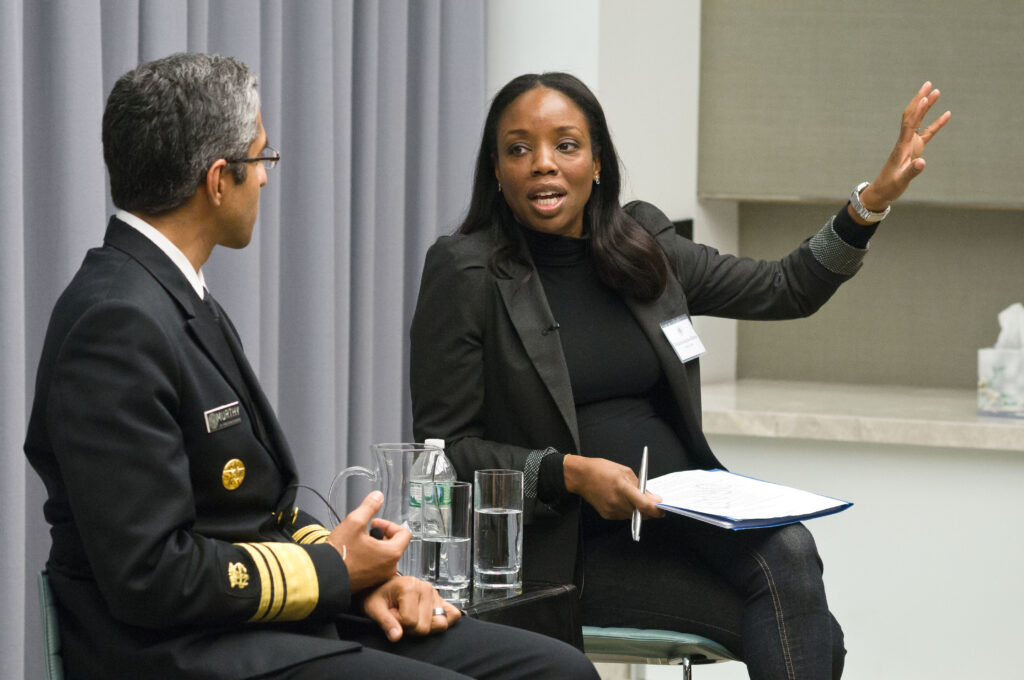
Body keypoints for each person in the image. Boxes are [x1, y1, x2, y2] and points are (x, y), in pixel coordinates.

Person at [24, 54, 598, 680]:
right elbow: (151, 575)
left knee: (557, 670)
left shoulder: (170, 295)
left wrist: (364, 580)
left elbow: (255, 510)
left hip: (257, 623)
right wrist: (335, 572)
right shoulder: (117, 321)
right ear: (220, 180)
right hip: (178, 651)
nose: (267, 180)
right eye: (262, 159)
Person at [410, 72, 949, 679]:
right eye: (519, 149)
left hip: (685, 520)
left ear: (597, 165)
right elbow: (446, 450)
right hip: (564, 551)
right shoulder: (466, 271)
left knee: (793, 564)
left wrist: (869, 203)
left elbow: (785, 288)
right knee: (809, 623)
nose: (542, 164)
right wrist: (571, 474)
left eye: (565, 145)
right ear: (498, 169)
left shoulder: (643, 245)